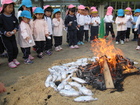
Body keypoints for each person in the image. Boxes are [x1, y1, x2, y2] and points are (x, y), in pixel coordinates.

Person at [0, 0, 20, 68]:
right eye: (9, 7)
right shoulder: (1, 17)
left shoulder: (13, 16)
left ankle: (14, 59)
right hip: (5, 37)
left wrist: (15, 29)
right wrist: (5, 32)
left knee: (15, 48)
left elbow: (17, 24)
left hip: (12, 36)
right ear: (4, 7)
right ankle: (10, 61)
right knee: (9, 49)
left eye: (12, 7)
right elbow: (0, 27)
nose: (11, 9)